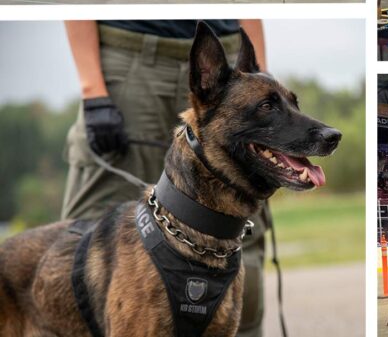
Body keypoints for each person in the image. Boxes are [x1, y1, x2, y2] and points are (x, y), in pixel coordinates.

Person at [63, 20, 268, 337]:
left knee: (241, 242)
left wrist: (259, 78)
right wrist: (93, 87)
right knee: (90, 239)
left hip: (226, 61)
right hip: (129, 59)